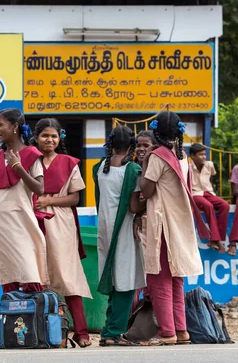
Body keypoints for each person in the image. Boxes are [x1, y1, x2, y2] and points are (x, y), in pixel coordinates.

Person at [139, 111, 209, 346]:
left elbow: (146, 191)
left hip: (162, 223)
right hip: (180, 224)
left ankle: (167, 332)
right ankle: (181, 331)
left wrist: (144, 162)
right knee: (176, 279)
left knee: (159, 278)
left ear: (157, 132)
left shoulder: (158, 157)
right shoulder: (183, 157)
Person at [32, 118, 93, 348]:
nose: (49, 140)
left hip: (61, 222)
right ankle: (48, 332)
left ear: (60, 138)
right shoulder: (29, 160)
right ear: (36, 137)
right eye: (45, 135)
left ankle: (81, 331)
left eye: (54, 136)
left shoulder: (69, 162)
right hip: (33, 220)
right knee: (39, 276)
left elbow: (75, 198)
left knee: (67, 275)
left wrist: (49, 200)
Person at [0, 108, 49, 293]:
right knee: (7, 274)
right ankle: (11, 320)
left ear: (15, 127)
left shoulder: (31, 154)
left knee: (29, 273)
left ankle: (33, 318)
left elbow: (40, 189)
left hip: (20, 222)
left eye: (0, 125)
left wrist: (18, 167)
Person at [93, 125, 145, 347]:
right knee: (126, 280)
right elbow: (133, 207)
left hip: (104, 227)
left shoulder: (98, 168)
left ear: (110, 144)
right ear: (132, 145)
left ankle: (108, 330)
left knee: (113, 279)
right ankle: (114, 332)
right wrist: (150, 199)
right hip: (122, 228)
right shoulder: (132, 170)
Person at [130, 130, 157, 312]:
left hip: (152, 226)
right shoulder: (132, 169)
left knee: (151, 275)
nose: (141, 149)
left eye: (145, 146)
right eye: (138, 145)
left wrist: (139, 213)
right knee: (134, 276)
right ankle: (129, 322)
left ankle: (150, 322)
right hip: (133, 228)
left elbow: (152, 196)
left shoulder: (155, 169)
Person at [189, 143, 230, 253]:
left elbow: (210, 178)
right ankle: (215, 239)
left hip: (208, 192)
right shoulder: (188, 167)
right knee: (208, 206)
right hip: (195, 193)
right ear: (193, 156)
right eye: (200, 154)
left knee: (225, 205)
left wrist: (210, 191)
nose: (203, 157)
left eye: (204, 154)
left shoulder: (209, 165)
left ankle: (218, 239)